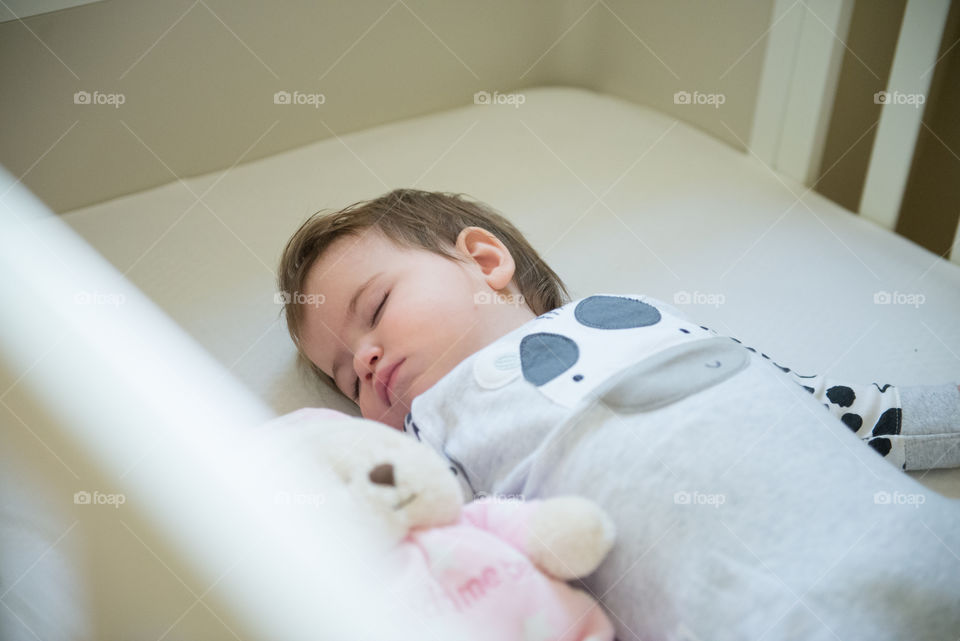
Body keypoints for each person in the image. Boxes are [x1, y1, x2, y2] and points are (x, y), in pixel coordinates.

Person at [278, 188, 960, 640]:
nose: (364, 360)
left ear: (484, 261)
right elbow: (469, 572)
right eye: (345, 376)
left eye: (374, 311)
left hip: (903, 536)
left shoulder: (636, 313)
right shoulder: (432, 441)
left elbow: (829, 403)